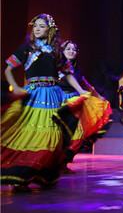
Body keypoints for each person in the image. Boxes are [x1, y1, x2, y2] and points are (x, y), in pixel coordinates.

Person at [1, 14, 88, 190]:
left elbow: (67, 74)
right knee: (29, 134)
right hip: (34, 95)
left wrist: (80, 90)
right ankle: (22, 175)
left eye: (41, 26)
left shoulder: (56, 50)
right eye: (35, 26)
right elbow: (8, 69)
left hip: (53, 95)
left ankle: (43, 174)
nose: (37, 29)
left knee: (51, 135)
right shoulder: (27, 48)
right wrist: (15, 87)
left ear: (50, 29)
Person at [57, 40, 112, 173]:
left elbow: (85, 84)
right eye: (68, 49)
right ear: (62, 51)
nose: (71, 52)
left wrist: (99, 97)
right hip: (60, 101)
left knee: (78, 134)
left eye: (74, 50)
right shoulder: (57, 65)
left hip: (75, 101)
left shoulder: (76, 68)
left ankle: (64, 163)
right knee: (60, 134)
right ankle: (55, 164)